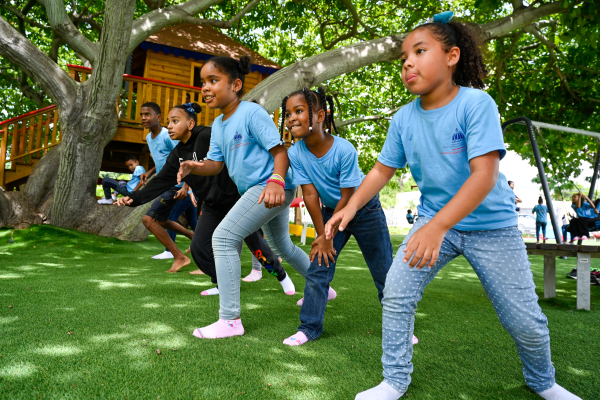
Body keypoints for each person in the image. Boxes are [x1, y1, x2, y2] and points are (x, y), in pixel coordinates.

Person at [324, 12, 580, 400]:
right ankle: (394, 380)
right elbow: (380, 171)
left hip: (492, 228)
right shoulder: (403, 119)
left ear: (452, 56)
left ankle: (543, 381)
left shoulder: (476, 104)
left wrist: (438, 226)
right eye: (403, 57)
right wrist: (351, 206)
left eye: (420, 51)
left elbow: (484, 175)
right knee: (396, 294)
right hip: (433, 223)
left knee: (525, 321)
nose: (408, 62)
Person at [177, 55, 312, 339]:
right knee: (281, 245)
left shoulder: (252, 113)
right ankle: (321, 286)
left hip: (271, 186)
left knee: (224, 237)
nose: (206, 88)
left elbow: (280, 152)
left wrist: (275, 181)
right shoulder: (219, 125)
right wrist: (195, 165)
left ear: (236, 84)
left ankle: (230, 320)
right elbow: (216, 164)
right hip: (261, 190)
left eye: (213, 80)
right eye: (203, 82)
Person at [116, 103, 292, 294]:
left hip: (236, 200)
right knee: (199, 248)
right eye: (169, 122)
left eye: (175, 121)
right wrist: (132, 199)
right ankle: (223, 284)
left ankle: (281, 276)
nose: (170, 126)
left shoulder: (207, 135)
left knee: (257, 248)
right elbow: (160, 181)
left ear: (191, 124)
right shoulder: (176, 155)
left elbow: (231, 149)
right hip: (212, 204)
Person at [279, 87, 392, 346]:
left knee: (384, 272)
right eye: (288, 114)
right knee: (319, 267)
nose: (291, 118)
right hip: (331, 210)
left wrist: (328, 233)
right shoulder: (295, 153)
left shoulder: (344, 149)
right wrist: (322, 236)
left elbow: (348, 196)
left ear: (319, 116)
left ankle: (401, 326)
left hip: (363, 210)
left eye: (299, 111)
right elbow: (309, 195)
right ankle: (308, 328)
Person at [136, 102, 198, 264]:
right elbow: (164, 162)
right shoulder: (150, 137)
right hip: (169, 184)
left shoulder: (167, 136)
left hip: (179, 185)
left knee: (154, 218)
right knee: (178, 220)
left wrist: (186, 186)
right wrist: (148, 173)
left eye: (148, 114)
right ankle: (195, 239)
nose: (144, 118)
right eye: (142, 114)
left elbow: (186, 158)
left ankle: (175, 254)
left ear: (158, 117)